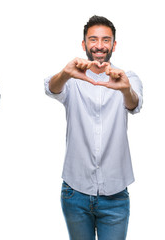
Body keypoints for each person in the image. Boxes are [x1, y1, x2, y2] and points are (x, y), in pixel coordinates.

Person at [44, 15, 143, 240]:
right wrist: (66, 73)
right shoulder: (71, 78)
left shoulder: (128, 78)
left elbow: (134, 105)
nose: (99, 46)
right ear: (84, 44)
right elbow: (51, 88)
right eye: (93, 40)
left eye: (105, 40)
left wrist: (124, 90)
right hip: (75, 192)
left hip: (115, 195)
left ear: (114, 44)